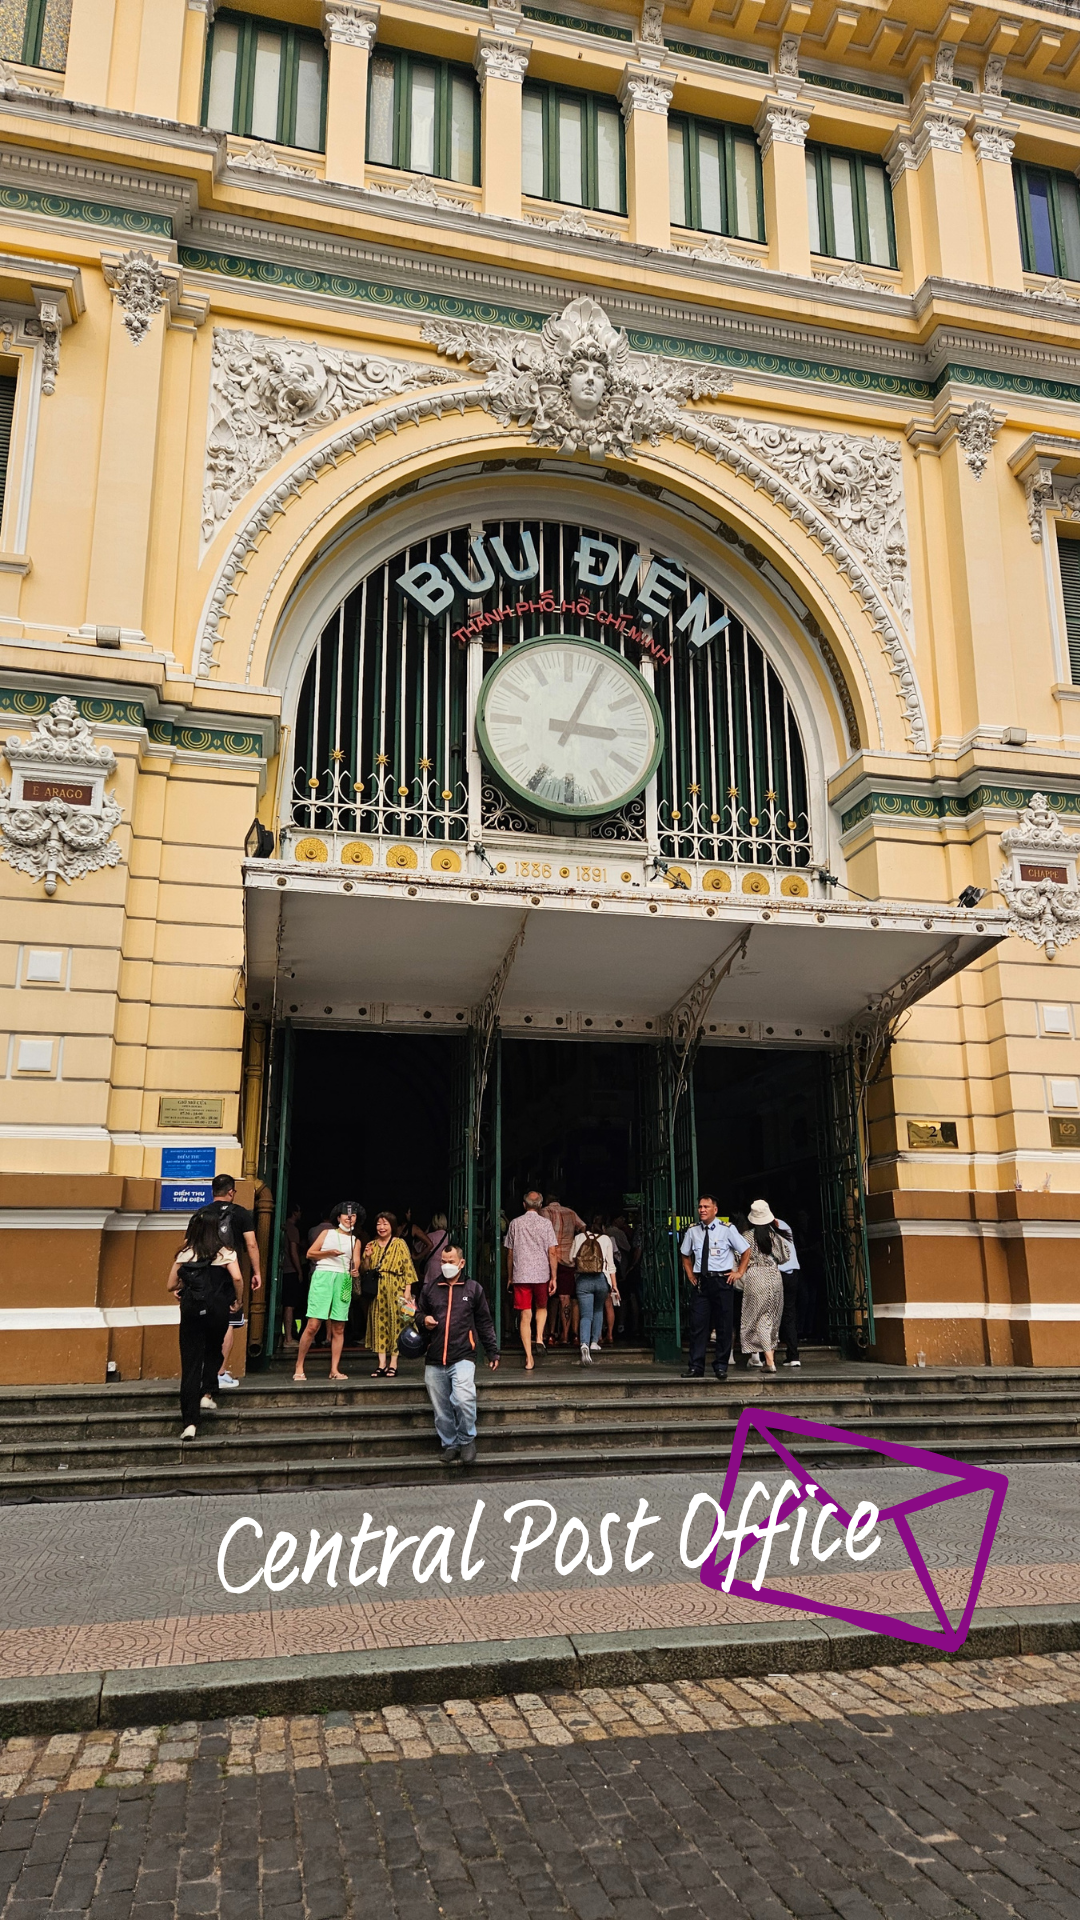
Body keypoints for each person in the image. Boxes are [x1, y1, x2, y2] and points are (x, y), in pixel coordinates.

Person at [415, 1243, 500, 1465]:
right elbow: (417, 1313)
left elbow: (484, 1322)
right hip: (434, 1358)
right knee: (441, 1409)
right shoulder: (430, 1288)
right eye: (443, 1262)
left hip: (463, 1355)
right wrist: (423, 1320)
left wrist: (492, 1351)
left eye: (451, 1262)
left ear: (461, 1263)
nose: (446, 1265)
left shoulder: (473, 1289)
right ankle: (450, 1444)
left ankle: (467, 1440)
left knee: (463, 1399)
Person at [166, 1211, 243, 1439]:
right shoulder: (226, 1252)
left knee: (190, 1365)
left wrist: (186, 1287)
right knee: (213, 1350)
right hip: (217, 1309)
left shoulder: (185, 1253)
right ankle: (207, 1392)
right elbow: (237, 1278)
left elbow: (170, 1284)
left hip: (191, 1311)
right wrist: (238, 1300)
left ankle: (190, 1422)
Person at [186, 1175, 263, 1389]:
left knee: (200, 1321)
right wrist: (257, 1271)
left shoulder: (200, 1214)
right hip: (228, 1273)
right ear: (231, 1192)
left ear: (213, 1191)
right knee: (227, 1320)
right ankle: (219, 1372)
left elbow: (187, 1245)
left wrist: (183, 1279)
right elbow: (252, 1244)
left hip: (199, 1274)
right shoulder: (239, 1213)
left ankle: (201, 1372)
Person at [679, 1195, 750, 1381]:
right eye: (700, 1207)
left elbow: (745, 1250)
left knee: (724, 1326)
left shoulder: (727, 1230)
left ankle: (721, 1365)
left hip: (722, 1281)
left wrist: (739, 1272)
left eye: (706, 1207)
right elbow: (685, 1255)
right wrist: (690, 1275)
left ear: (715, 1209)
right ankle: (696, 1366)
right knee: (698, 1325)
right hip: (702, 1281)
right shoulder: (693, 1231)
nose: (702, 1210)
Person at [293, 1202, 362, 1383]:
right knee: (313, 1324)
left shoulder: (356, 1240)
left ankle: (334, 1369)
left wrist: (356, 1270)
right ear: (338, 1217)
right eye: (346, 1215)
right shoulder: (327, 1233)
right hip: (323, 1277)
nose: (349, 1218)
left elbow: (355, 1262)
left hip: (343, 1279)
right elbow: (310, 1253)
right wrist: (329, 1252)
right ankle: (299, 1366)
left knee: (339, 1327)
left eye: (353, 1215)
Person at [504, 1190, 558, 1370]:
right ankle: (540, 1338)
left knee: (525, 1315)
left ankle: (529, 1358)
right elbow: (552, 1251)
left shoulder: (515, 1224)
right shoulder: (546, 1224)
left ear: (524, 1204)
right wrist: (554, 1276)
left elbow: (510, 1253)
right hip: (541, 1274)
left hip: (521, 1275)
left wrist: (510, 1276)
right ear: (540, 1205)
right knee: (541, 1307)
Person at [363, 1211, 418, 1378]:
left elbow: (407, 1266)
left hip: (396, 1287)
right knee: (379, 1323)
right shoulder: (371, 1244)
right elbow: (366, 1270)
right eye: (379, 1224)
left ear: (392, 1226)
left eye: (385, 1224)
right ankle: (381, 1364)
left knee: (397, 1324)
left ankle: (393, 1363)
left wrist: (407, 1290)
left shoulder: (399, 1243)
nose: (381, 1227)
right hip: (378, 1290)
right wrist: (366, 1257)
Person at [752, 1199, 803, 1367]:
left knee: (767, 1316)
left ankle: (763, 1356)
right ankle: (793, 1356)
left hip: (776, 1276)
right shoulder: (784, 1226)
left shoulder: (761, 1234)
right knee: (789, 1315)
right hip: (793, 1274)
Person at [740, 1200, 788, 1372]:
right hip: (774, 1276)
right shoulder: (775, 1237)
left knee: (758, 1318)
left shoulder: (746, 1237)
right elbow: (784, 1258)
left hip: (755, 1276)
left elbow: (739, 1256)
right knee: (772, 1317)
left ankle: (769, 1361)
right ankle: (770, 1359)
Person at [570, 1216, 618, 1365]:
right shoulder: (606, 1239)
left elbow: (571, 1259)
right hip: (601, 1280)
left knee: (585, 1315)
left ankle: (583, 1343)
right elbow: (611, 1265)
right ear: (603, 1227)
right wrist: (614, 1286)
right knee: (598, 1310)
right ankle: (594, 1342)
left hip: (583, 1280)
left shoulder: (578, 1238)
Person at [541, 1193, 586, 1346]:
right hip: (568, 1260)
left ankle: (550, 1334)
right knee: (565, 1298)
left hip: (548, 1259)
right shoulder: (571, 1213)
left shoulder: (544, 1212)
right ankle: (567, 1336)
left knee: (549, 1299)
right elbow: (584, 1227)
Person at [280, 1203, 304, 1351]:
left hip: (283, 1269)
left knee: (285, 1304)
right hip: (290, 1270)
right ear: (295, 1213)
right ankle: (288, 1338)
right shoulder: (293, 1229)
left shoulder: (283, 1227)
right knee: (289, 1305)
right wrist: (299, 1270)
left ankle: (284, 1337)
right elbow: (294, 1252)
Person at [421, 1213, 450, 1286]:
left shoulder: (429, 1236)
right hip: (445, 1267)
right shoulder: (449, 1237)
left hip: (431, 1268)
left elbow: (417, 1247)